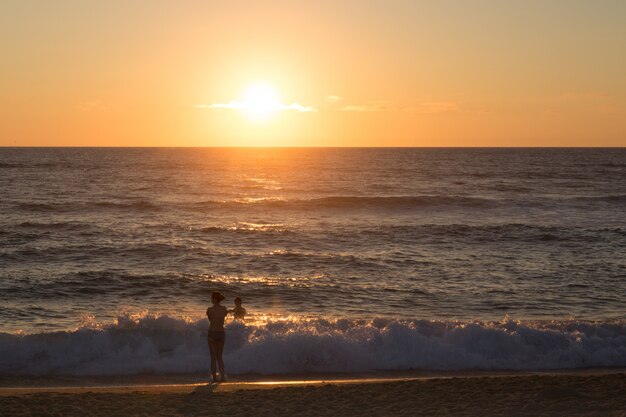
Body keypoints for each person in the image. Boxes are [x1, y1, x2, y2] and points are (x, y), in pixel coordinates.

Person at [206, 291, 228, 382]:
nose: (211, 299)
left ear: (214, 299)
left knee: (213, 357)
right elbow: (223, 317)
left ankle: (214, 377)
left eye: (211, 298)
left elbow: (211, 320)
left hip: (212, 333)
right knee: (219, 356)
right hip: (221, 333)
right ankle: (222, 377)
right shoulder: (224, 309)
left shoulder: (209, 310)